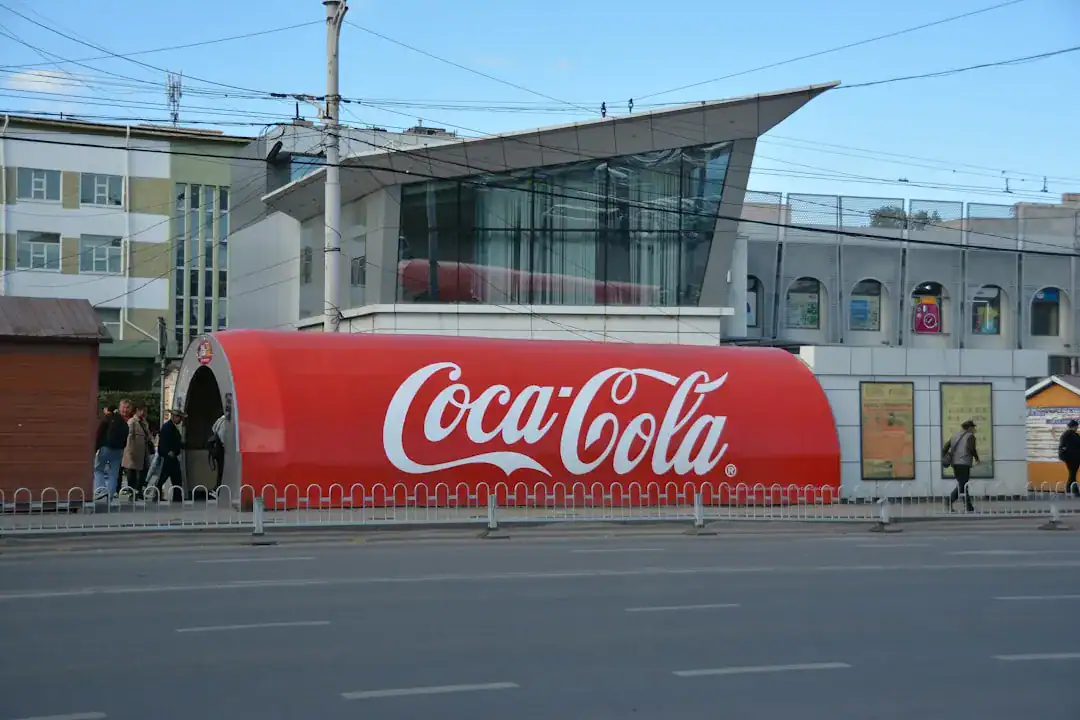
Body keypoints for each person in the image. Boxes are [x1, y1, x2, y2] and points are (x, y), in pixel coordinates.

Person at [93, 400, 132, 500]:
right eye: (124, 407)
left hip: (106, 447)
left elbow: (100, 431)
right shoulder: (125, 423)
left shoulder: (109, 417)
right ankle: (110, 495)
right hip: (118, 450)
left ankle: (100, 491)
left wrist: (96, 447)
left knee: (98, 469)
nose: (125, 409)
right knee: (113, 473)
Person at [943, 419, 980, 513]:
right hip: (964, 463)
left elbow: (945, 447)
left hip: (955, 463)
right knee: (962, 484)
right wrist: (977, 458)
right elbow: (971, 449)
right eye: (973, 427)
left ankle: (968, 506)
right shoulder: (970, 436)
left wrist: (945, 457)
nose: (974, 429)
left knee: (963, 484)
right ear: (969, 428)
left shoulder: (955, 435)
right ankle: (949, 500)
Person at [120, 404, 152, 499]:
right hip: (134, 452)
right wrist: (130, 452)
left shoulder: (144, 422)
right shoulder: (132, 422)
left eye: (145, 411)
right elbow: (129, 438)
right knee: (132, 474)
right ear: (137, 411)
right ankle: (132, 492)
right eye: (142, 411)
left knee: (143, 472)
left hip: (144, 452)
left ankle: (139, 491)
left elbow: (148, 434)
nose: (144, 413)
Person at [156, 408, 187, 502]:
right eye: (179, 418)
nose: (181, 420)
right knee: (165, 477)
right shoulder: (168, 427)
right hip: (168, 457)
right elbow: (164, 443)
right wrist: (168, 451)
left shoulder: (172, 427)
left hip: (171, 456)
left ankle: (176, 497)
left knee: (175, 478)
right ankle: (158, 495)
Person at [207, 412, 227, 500]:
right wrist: (226, 444)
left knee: (221, 472)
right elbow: (222, 435)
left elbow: (213, 429)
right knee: (222, 472)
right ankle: (217, 491)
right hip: (221, 450)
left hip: (217, 451)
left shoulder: (220, 420)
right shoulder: (225, 422)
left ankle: (217, 490)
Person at [1058, 419, 1080, 497]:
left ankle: (1074, 490)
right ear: (1073, 426)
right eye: (1076, 426)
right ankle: (1070, 490)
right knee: (1072, 474)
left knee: (1073, 474)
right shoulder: (1069, 435)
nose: (1077, 428)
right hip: (1071, 458)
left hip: (1073, 458)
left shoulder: (1072, 434)